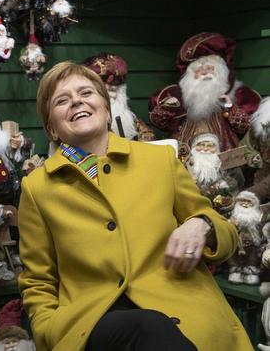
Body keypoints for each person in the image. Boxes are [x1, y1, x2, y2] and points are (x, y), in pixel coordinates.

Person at [18, 61, 252, 351]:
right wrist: (48, 329)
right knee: (147, 327)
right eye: (62, 100)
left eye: (86, 93)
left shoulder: (159, 161)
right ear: (52, 128)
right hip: (92, 321)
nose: (76, 101)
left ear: (106, 109)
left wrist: (202, 224)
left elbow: (227, 237)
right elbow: (37, 281)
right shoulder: (37, 187)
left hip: (180, 309)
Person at [149, 32, 261, 158]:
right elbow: (161, 124)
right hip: (185, 156)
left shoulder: (239, 94)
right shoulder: (178, 95)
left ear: (220, 71)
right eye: (199, 71)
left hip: (225, 157)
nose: (204, 74)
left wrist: (229, 107)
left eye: (209, 69)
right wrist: (168, 107)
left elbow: (246, 128)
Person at [82, 53, 155, 141]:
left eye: (117, 83)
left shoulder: (132, 118)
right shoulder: (85, 120)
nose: (111, 87)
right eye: (103, 82)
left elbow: (148, 137)